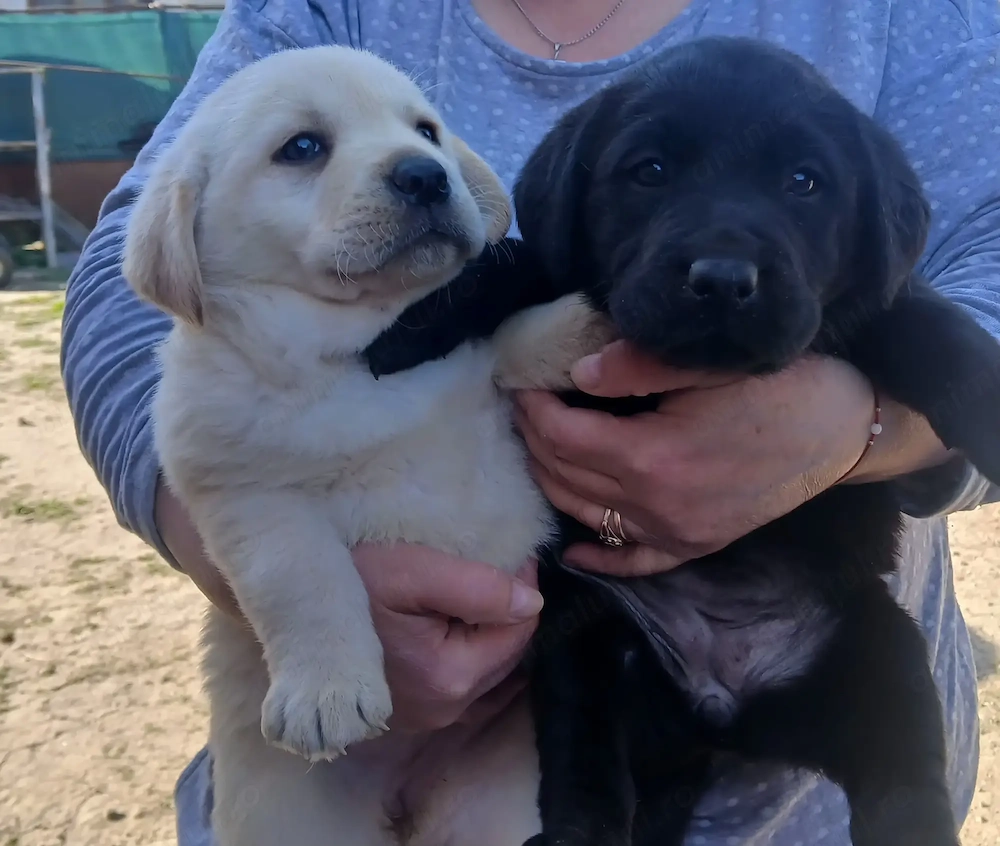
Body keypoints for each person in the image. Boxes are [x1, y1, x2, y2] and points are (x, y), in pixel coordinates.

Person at [60, 0, 1000, 843]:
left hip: (809, 768)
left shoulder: (909, 17)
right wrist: (283, 584)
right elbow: (127, 280)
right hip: (523, 690)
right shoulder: (321, 8)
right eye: (653, 170)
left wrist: (874, 433)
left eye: (801, 183)